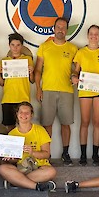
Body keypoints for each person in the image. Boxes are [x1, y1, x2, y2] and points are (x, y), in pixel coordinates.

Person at [34, 17, 78, 166]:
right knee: (47, 124)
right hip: (48, 90)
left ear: (67, 30)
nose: (61, 29)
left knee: (66, 124)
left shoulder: (73, 48)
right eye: (58, 27)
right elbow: (38, 70)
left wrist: (75, 76)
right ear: (54, 29)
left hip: (67, 91)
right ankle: (47, 155)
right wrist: (38, 89)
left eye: (63, 27)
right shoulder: (44, 47)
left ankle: (65, 153)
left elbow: (77, 70)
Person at [71, 25, 99, 166]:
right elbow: (76, 71)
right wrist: (74, 78)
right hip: (85, 91)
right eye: (91, 34)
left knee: (97, 123)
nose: (94, 36)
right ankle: (83, 154)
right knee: (84, 122)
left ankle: (95, 154)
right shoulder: (81, 53)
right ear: (88, 36)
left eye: (96, 34)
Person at [0, 102, 57, 191]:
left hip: (39, 167)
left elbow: (46, 154)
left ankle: (15, 182)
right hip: (21, 167)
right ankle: (35, 185)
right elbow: (15, 160)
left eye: (27, 113)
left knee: (51, 172)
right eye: (21, 112)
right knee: (2, 168)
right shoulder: (12, 134)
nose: (24, 115)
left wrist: (32, 152)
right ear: (17, 114)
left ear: (31, 115)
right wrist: (10, 158)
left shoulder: (40, 130)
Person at [0, 33, 34, 132]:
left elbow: (32, 80)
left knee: (24, 127)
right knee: (9, 127)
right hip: (8, 98)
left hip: (23, 98)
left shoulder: (27, 59)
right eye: (13, 45)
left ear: (22, 46)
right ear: (9, 46)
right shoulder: (4, 61)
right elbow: (2, 83)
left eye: (18, 45)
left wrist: (31, 72)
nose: (15, 48)